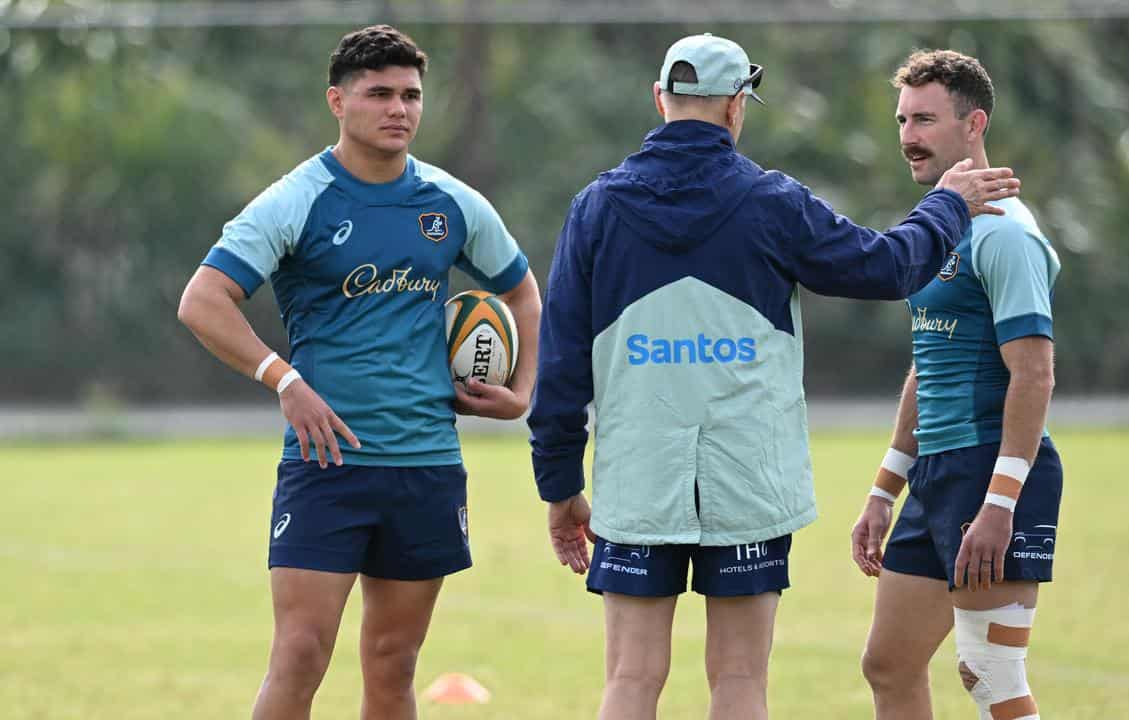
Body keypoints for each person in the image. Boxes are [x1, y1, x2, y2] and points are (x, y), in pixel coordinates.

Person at [528, 34, 1018, 720]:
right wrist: (948, 202)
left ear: (659, 99)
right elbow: (884, 268)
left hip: (638, 474)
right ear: (736, 106)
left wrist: (558, 485)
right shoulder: (770, 201)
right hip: (746, 478)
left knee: (632, 678)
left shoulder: (596, 208)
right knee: (740, 680)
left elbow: (559, 366)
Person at [176, 25, 540, 720]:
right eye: (379, 94)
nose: (399, 108)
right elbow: (203, 300)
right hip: (327, 462)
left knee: (393, 663)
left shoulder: (451, 203)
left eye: (411, 95)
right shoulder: (297, 199)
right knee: (301, 654)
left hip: (426, 462)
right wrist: (285, 380)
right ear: (337, 102)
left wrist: (520, 393)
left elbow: (522, 290)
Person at [851, 49, 1063, 720]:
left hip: (988, 473)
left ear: (974, 124)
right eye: (902, 120)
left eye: (925, 120)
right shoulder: (942, 229)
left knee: (992, 677)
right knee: (889, 664)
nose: (909, 137)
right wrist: (886, 487)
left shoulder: (1004, 232)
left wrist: (1001, 503)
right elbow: (928, 361)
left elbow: (1034, 371)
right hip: (936, 475)